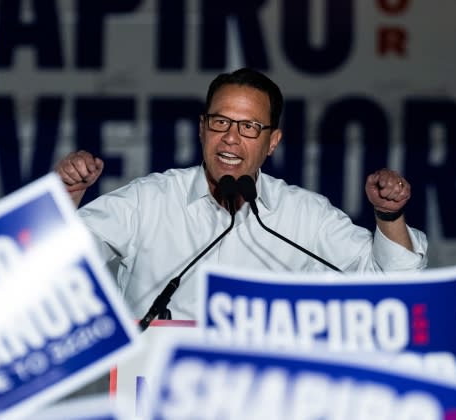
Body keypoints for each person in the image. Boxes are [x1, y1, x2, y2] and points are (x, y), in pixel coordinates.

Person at [54, 68, 427, 320]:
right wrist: (66, 195)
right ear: (202, 129)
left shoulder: (304, 216)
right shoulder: (148, 202)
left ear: (272, 142)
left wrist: (389, 217)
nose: (231, 138)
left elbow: (395, 286)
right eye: (220, 122)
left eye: (249, 126)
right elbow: (53, 267)